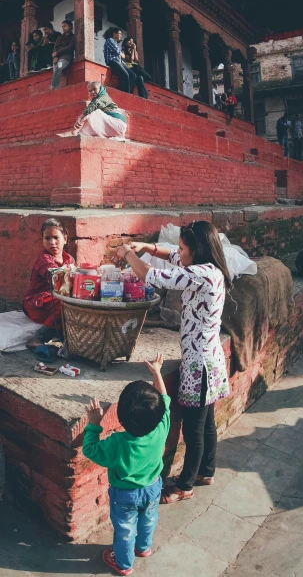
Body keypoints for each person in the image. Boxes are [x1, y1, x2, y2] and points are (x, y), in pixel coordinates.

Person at [116, 221, 231, 502]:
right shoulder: (205, 266)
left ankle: (185, 485)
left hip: (199, 365)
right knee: (207, 423)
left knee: (194, 429)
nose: (179, 252)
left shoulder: (203, 274)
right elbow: (171, 256)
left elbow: (154, 276)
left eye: (183, 247)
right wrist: (146, 247)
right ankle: (207, 470)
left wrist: (128, 254)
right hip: (208, 359)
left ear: (197, 250)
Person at [83, 353, 170, 576]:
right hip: (153, 486)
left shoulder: (117, 443)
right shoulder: (162, 426)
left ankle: (123, 564)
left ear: (120, 417)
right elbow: (164, 397)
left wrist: (94, 424)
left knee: (124, 530)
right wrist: (157, 372)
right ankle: (143, 548)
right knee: (149, 519)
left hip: (125, 494)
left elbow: (90, 450)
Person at [23, 218, 75, 350]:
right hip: (36, 303)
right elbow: (59, 282)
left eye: (56, 237)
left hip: (52, 301)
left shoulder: (69, 259)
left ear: (65, 238)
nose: (52, 242)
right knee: (64, 302)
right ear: (42, 240)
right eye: (47, 238)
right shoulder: (45, 260)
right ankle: (38, 338)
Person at [58, 82, 127, 140]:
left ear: (100, 89)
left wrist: (81, 116)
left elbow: (95, 105)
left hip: (118, 125)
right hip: (112, 128)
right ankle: (77, 133)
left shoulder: (104, 97)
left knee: (94, 112)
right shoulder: (94, 100)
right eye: (90, 91)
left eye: (94, 89)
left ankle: (74, 132)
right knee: (85, 129)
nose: (92, 92)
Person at [104, 27, 136, 94]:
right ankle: (125, 93)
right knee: (125, 74)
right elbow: (117, 52)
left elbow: (122, 56)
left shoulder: (116, 43)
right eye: (119, 33)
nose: (121, 35)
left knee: (133, 75)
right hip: (112, 61)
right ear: (114, 34)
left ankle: (126, 91)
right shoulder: (110, 40)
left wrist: (122, 55)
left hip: (119, 62)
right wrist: (121, 54)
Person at [50, 20, 75, 90]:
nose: (63, 28)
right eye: (62, 26)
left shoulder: (73, 37)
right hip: (58, 57)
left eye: (65, 26)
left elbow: (70, 47)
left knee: (59, 66)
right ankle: (56, 88)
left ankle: (52, 86)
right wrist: (55, 56)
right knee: (55, 69)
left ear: (70, 26)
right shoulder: (60, 37)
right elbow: (55, 47)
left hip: (67, 57)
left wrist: (57, 53)